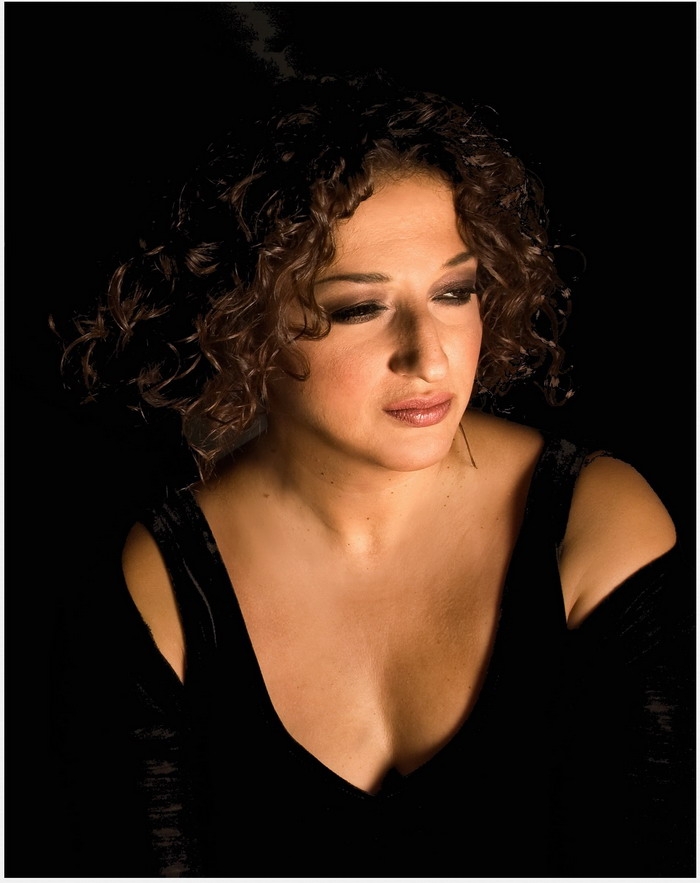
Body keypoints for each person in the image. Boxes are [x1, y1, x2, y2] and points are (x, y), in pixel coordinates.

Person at [50, 73, 694, 877]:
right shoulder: (166, 583)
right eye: (361, 308)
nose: (430, 355)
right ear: (244, 322)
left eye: (454, 292)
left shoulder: (599, 527)